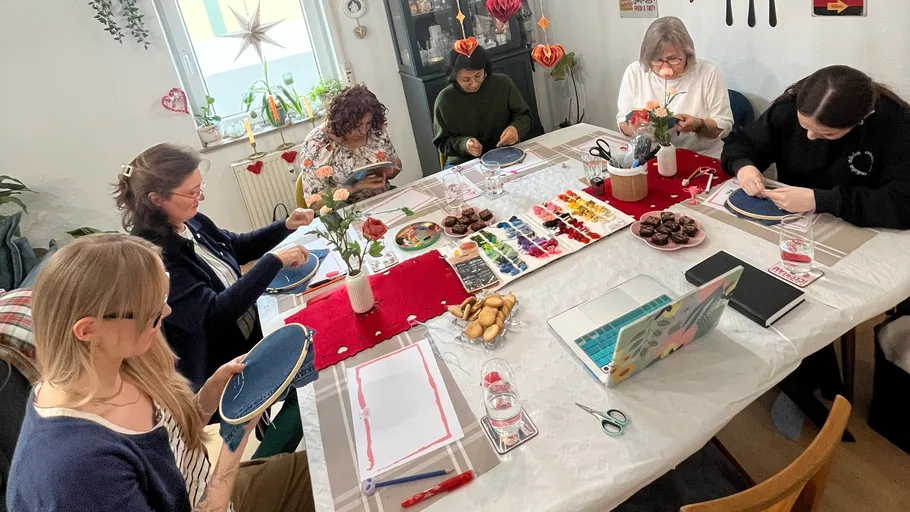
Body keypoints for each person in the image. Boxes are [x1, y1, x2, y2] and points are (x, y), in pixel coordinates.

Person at [7, 234, 314, 511]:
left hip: (205, 486)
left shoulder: (119, 362)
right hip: (212, 497)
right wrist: (235, 441)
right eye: (151, 311)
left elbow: (171, 437)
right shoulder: (79, 470)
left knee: (333, 465)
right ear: (88, 329)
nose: (165, 313)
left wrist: (210, 392)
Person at [115, 144, 313, 457]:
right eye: (191, 191)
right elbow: (215, 317)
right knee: (310, 364)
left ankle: (288, 435)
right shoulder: (158, 258)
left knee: (312, 324)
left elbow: (235, 245)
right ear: (156, 199)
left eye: (199, 187)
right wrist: (273, 261)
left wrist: (285, 226)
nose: (200, 197)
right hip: (222, 363)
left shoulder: (189, 221)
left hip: (250, 331)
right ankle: (272, 457)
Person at [722, 65, 910, 229]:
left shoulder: (895, 124)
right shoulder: (787, 108)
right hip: (790, 221)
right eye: (804, 126)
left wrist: (820, 200)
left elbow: (902, 203)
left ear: (863, 118)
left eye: (828, 134)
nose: (810, 137)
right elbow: (741, 142)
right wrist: (743, 166)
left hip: (859, 225)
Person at [616, 16, 733, 159]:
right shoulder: (635, 72)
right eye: (658, 60)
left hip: (701, 156)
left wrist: (698, 125)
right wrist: (632, 129)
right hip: (651, 156)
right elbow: (622, 118)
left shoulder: (708, 73)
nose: (665, 67)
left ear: (687, 54)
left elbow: (724, 125)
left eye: (673, 59)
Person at [297, 84, 401, 207]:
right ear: (341, 121)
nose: (363, 131)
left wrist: (390, 171)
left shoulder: (375, 129)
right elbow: (314, 203)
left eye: (367, 123)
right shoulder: (316, 144)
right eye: (357, 125)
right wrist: (353, 187)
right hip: (344, 213)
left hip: (383, 200)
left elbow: (397, 163)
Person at [433, 46, 533, 166]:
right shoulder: (445, 99)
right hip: (465, 162)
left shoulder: (503, 84)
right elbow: (442, 142)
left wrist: (516, 129)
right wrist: (464, 145)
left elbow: (524, 115)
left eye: (478, 76)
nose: (474, 84)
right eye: (466, 80)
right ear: (454, 76)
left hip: (507, 154)